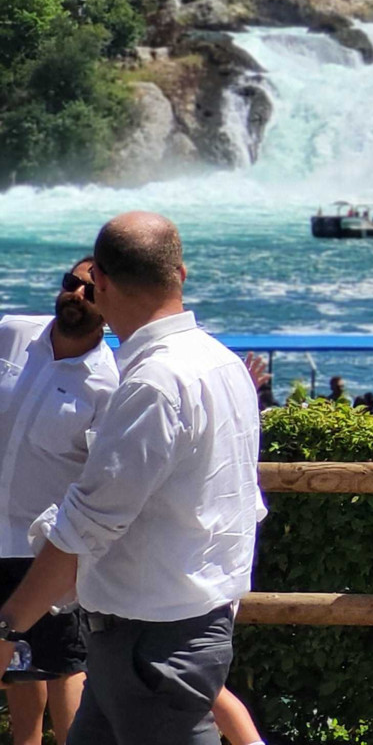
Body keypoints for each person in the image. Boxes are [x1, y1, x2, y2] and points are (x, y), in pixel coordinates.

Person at [0, 212, 266, 745]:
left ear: (99, 281)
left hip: (151, 644)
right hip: (175, 629)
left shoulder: (152, 382)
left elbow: (88, 525)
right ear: (180, 274)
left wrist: (8, 626)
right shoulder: (222, 363)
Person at [0, 258, 120, 745]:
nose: (76, 294)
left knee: (64, 667)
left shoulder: (108, 384)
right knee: (15, 678)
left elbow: (102, 479)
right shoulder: (10, 332)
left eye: (90, 290)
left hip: (46, 547)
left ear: (109, 305)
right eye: (71, 283)